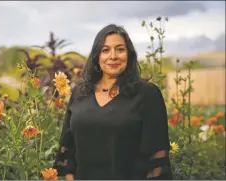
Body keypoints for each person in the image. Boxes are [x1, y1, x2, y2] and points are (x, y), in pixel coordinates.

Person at [53, 24, 174, 180]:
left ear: (129, 55)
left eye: (120, 49)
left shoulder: (147, 94)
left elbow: (157, 159)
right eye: (105, 50)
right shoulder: (79, 93)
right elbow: (67, 150)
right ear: (97, 56)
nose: (113, 56)